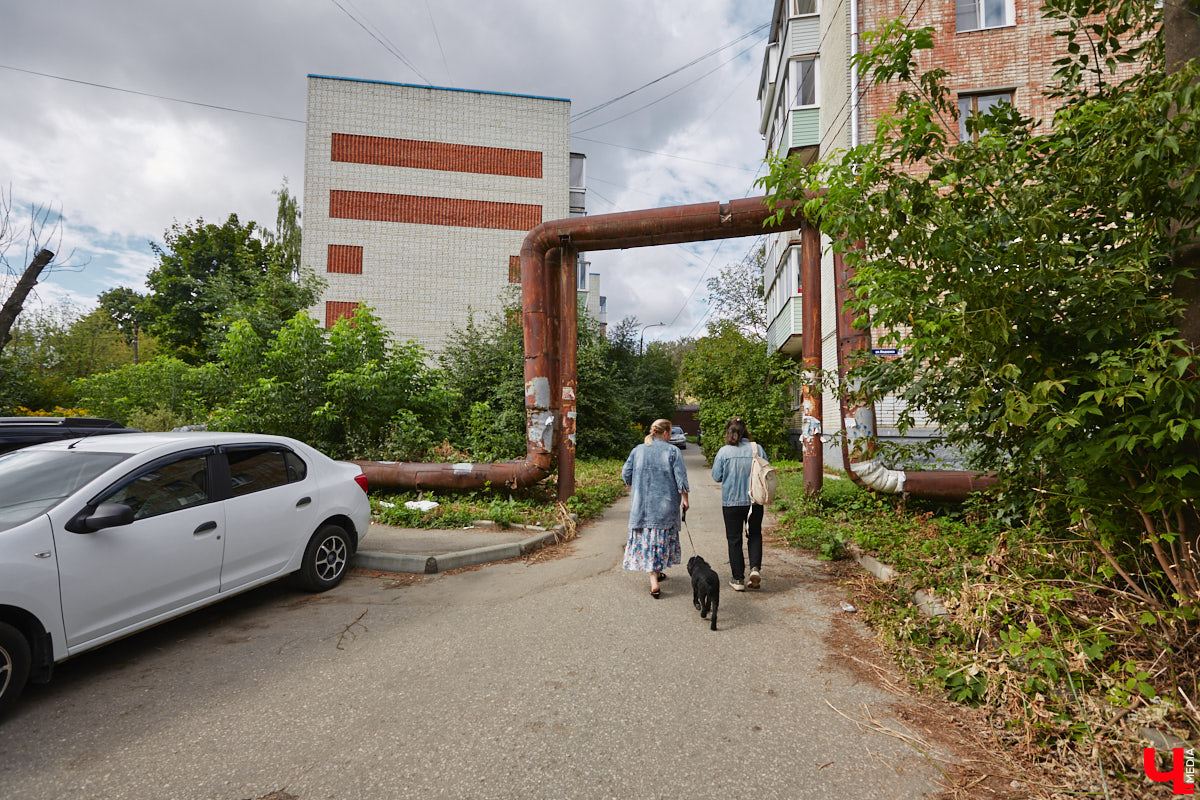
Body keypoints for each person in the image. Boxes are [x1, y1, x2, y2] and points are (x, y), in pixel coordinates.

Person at [622, 418, 690, 598]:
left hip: (642, 504)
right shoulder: (673, 451)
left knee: (648, 538)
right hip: (665, 505)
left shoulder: (638, 450)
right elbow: (681, 479)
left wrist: (634, 484)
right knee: (659, 538)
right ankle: (655, 580)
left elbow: (625, 473)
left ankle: (656, 575)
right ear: (666, 433)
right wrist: (685, 499)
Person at [710, 417, 767, 592]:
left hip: (731, 502)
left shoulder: (724, 452)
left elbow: (716, 476)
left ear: (729, 432)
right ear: (745, 431)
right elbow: (765, 471)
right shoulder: (757, 449)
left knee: (734, 539)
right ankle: (755, 568)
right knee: (754, 534)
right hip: (754, 500)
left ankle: (738, 579)